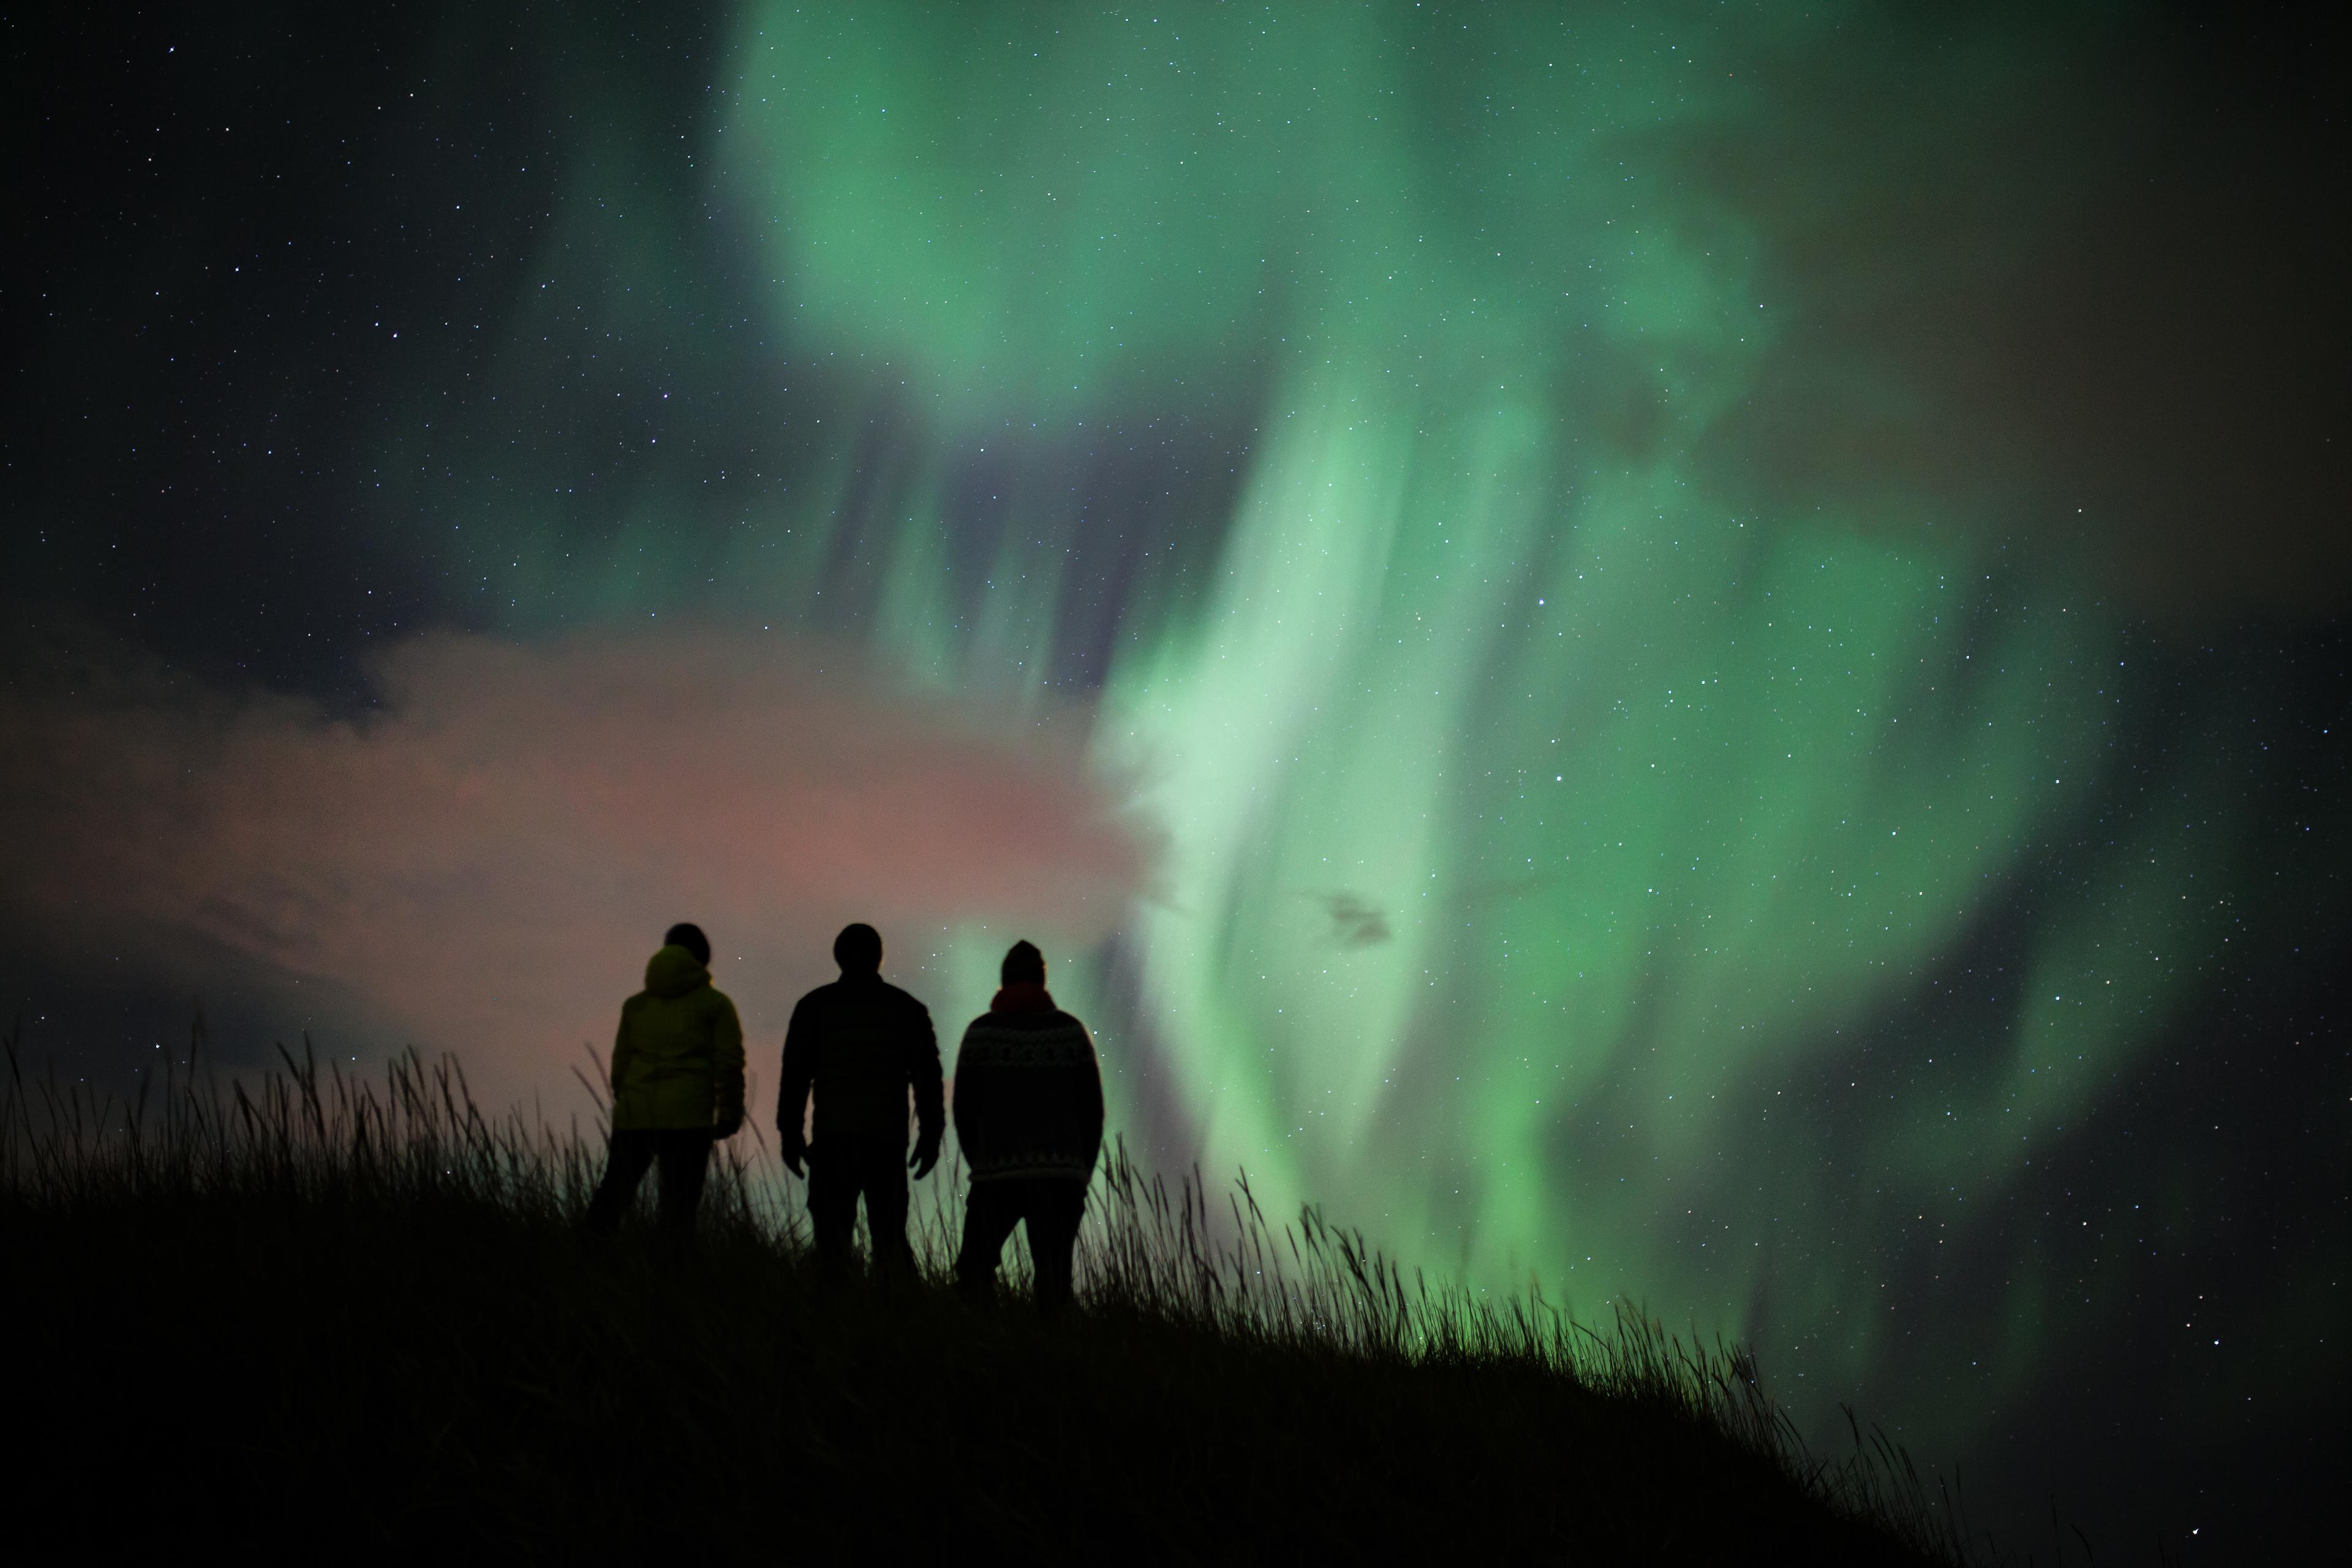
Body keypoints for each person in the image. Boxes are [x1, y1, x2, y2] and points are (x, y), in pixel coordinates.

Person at [776, 923, 943, 1274]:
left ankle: (834, 1316)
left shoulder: (813, 1006)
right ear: (880, 958)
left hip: (832, 1138)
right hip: (886, 1140)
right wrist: (931, 1135)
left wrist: (790, 1135)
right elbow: (928, 1080)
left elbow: (795, 1078)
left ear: (837, 956)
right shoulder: (908, 1009)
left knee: (831, 1242)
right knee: (890, 1238)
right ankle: (895, 1317)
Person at [951, 940, 1104, 1317]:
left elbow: (963, 1110)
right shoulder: (1070, 1032)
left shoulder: (980, 1033)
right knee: (1054, 1284)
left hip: (995, 1176)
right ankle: (1053, 1363)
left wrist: (982, 1162)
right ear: (1042, 981)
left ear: (1003, 982)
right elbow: (1092, 1111)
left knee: (973, 1273)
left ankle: (979, 1357)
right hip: (1059, 1177)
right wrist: (1081, 1172)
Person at [586, 922, 745, 1238]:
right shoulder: (716, 1004)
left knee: (614, 1193)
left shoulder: (636, 1006)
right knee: (679, 1206)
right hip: (688, 1119)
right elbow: (729, 1064)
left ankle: (584, 1257)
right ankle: (670, 1277)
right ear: (702, 957)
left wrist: (626, 1098)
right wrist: (730, 1113)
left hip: (635, 1115)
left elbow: (621, 1064)